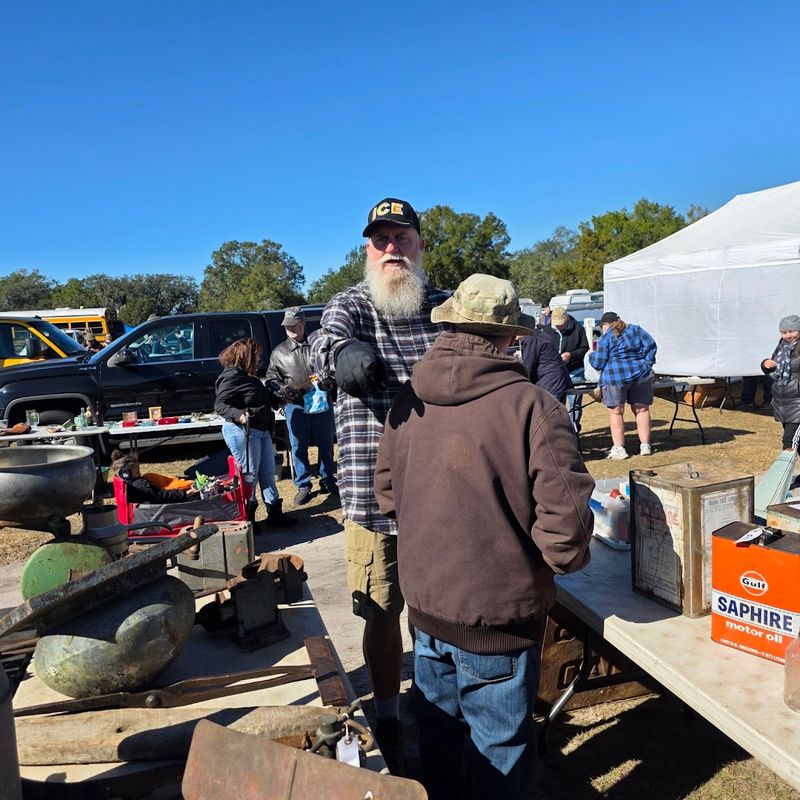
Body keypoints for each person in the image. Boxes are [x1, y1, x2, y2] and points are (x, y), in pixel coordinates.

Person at [374, 274, 594, 800]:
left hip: (427, 608)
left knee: (440, 742)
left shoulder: (410, 402)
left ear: (449, 326)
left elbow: (386, 493)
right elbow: (565, 533)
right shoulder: (532, 407)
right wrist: (555, 558)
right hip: (497, 617)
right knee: (499, 754)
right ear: (510, 337)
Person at [310, 196, 448, 774]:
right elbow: (322, 342)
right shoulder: (351, 305)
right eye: (380, 240)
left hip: (445, 494)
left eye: (402, 238)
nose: (392, 249)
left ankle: (441, 709)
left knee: (442, 609)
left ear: (419, 244)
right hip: (372, 494)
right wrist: (343, 356)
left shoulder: (444, 307)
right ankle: (388, 715)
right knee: (381, 610)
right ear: (368, 249)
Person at [214, 337, 297, 528]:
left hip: (261, 430)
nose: (260, 359)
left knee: (268, 472)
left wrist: (279, 400)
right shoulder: (231, 377)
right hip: (243, 431)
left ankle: (274, 514)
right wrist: (239, 415)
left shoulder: (249, 376)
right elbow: (220, 405)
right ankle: (247, 518)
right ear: (246, 356)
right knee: (250, 475)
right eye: (257, 355)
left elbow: (259, 401)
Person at [266, 307, 337, 505]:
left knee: (325, 443)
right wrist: (283, 390)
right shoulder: (279, 353)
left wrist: (327, 381)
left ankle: (328, 479)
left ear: (302, 324)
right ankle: (303, 484)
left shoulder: (317, 345)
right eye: (287, 325)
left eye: (294, 324)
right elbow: (271, 379)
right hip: (295, 407)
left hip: (322, 403)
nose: (290, 328)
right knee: (298, 447)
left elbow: (332, 367)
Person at [589, 311, 657, 460]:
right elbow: (651, 346)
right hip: (641, 375)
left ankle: (619, 449)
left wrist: (590, 356)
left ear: (605, 325)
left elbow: (599, 363)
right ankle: (645, 445)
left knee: (616, 412)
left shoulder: (605, 338)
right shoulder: (636, 330)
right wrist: (647, 364)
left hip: (615, 378)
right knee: (642, 409)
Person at [545, 307, 589, 428]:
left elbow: (584, 349)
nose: (558, 326)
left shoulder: (578, 329)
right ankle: (559, 429)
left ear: (567, 318)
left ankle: (573, 428)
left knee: (574, 404)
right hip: (555, 374)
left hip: (575, 371)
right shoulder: (547, 330)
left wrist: (571, 355)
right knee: (555, 403)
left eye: (560, 323)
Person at [761, 315, 800, 451]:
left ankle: (783, 473)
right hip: (783, 401)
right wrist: (765, 364)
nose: (788, 335)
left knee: (789, 443)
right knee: (797, 443)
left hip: (797, 402)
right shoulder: (781, 347)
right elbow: (773, 370)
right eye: (784, 332)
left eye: (792, 331)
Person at [112, 450, 199, 504]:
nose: (140, 473)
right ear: (126, 474)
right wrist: (186, 494)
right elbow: (163, 496)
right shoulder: (141, 485)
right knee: (197, 496)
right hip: (163, 508)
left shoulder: (126, 484)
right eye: (137, 471)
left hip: (149, 507)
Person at [518, 328, 572, 402]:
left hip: (550, 384)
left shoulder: (530, 339)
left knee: (548, 412)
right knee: (558, 412)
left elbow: (528, 368)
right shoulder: (538, 335)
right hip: (557, 382)